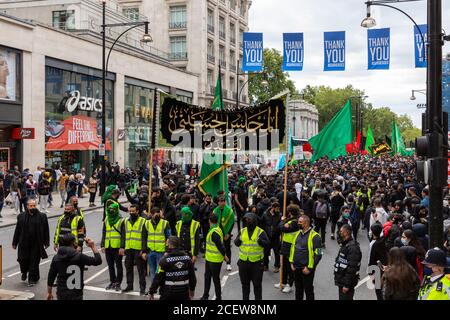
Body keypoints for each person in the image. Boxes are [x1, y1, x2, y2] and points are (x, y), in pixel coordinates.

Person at [47, 235, 102, 300]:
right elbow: (98, 261)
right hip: (76, 294)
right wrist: (93, 246)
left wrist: (49, 293)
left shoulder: (56, 258)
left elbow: (51, 277)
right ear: (73, 243)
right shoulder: (79, 257)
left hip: (61, 293)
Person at [12, 199, 50, 286]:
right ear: (27, 206)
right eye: (31, 206)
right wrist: (14, 242)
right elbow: (17, 230)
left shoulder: (42, 216)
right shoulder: (21, 216)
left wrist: (46, 242)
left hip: (36, 244)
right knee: (23, 260)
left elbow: (46, 230)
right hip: (23, 243)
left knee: (34, 262)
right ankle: (24, 272)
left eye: (34, 205)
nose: (33, 207)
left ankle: (31, 279)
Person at [234, 212, 270, 300]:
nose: (247, 221)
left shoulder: (260, 232)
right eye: (246, 220)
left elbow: (268, 244)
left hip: (256, 264)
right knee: (245, 286)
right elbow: (236, 243)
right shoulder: (242, 231)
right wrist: (239, 240)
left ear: (254, 220)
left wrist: (261, 241)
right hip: (243, 263)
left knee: (257, 286)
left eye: (249, 219)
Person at [149, 236, 197, 300]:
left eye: (167, 244)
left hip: (168, 293)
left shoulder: (164, 260)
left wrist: (151, 291)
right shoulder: (188, 259)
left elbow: (157, 278)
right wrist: (192, 290)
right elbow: (192, 277)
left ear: (170, 245)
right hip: (184, 293)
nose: (167, 245)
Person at [289, 214, 323, 300]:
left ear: (306, 223)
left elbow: (319, 254)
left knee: (308, 291)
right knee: (298, 290)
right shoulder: (297, 234)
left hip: (307, 269)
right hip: (296, 267)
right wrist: (291, 262)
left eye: (300, 222)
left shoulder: (315, 237)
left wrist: (310, 268)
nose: (298, 224)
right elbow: (293, 248)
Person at [201, 213, 229, 300]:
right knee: (207, 277)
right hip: (209, 258)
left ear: (209, 220)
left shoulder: (214, 232)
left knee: (215, 279)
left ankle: (218, 297)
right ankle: (205, 296)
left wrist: (224, 256)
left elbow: (220, 246)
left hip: (215, 260)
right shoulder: (217, 229)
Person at [143, 206, 171, 289]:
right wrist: (144, 251)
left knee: (160, 271)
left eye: (158, 213)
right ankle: (153, 288)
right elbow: (144, 238)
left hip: (161, 252)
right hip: (150, 251)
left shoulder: (165, 223)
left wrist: (167, 250)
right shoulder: (147, 223)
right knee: (152, 271)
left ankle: (162, 288)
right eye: (155, 214)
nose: (157, 215)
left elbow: (169, 238)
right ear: (151, 214)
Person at [123, 204, 147, 294]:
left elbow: (145, 237)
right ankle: (129, 286)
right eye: (130, 211)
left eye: (133, 211)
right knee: (128, 268)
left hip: (138, 249)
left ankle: (142, 288)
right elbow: (123, 235)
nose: (131, 213)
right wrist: (123, 247)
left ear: (137, 211)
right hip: (128, 248)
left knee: (141, 270)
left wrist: (144, 250)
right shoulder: (126, 221)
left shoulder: (143, 221)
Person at [100, 203, 125, 291]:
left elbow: (123, 235)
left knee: (118, 265)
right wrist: (102, 245)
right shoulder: (106, 219)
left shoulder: (121, 220)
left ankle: (118, 282)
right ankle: (112, 281)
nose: (110, 211)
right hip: (108, 246)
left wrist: (122, 247)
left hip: (117, 246)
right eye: (109, 209)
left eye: (112, 209)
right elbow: (104, 232)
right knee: (110, 266)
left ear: (116, 210)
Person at [334, 224, 362, 300]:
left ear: (346, 233)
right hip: (342, 280)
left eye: (341, 232)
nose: (339, 233)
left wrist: (346, 285)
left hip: (346, 282)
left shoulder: (353, 248)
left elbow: (352, 268)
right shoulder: (346, 244)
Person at [276, 204, 300, 293]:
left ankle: (289, 285)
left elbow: (283, 229)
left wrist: (282, 222)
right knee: (284, 265)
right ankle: (283, 282)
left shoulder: (295, 222)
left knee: (290, 267)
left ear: (290, 212)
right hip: (286, 244)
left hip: (291, 246)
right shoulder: (290, 220)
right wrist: (284, 223)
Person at [213, 195, 235, 271]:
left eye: (223, 201)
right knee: (217, 247)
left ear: (225, 202)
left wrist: (228, 234)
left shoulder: (229, 211)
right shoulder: (215, 210)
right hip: (217, 232)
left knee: (227, 248)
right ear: (218, 202)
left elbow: (231, 223)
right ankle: (217, 263)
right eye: (220, 201)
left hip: (226, 232)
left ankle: (228, 263)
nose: (222, 203)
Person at [367, 222, 388, 300]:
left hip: (377, 270)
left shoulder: (373, 244)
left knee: (378, 291)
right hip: (385, 268)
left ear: (372, 232)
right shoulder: (383, 240)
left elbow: (371, 259)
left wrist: (370, 273)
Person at [262, 201, 281, 273]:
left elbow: (280, 225)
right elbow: (262, 224)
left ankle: (277, 266)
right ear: (273, 208)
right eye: (277, 208)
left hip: (276, 237)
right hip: (267, 237)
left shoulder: (279, 215)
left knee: (277, 252)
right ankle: (265, 265)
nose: (278, 210)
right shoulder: (265, 214)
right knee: (266, 252)